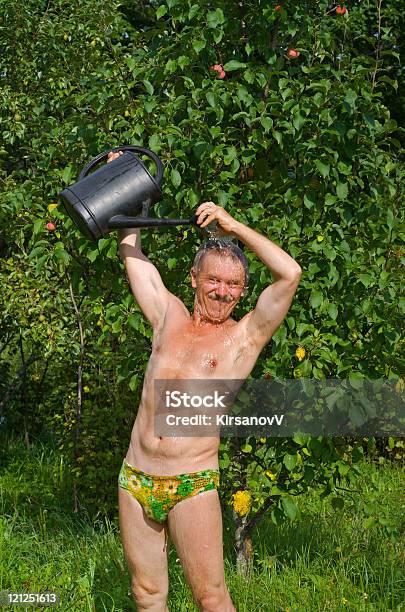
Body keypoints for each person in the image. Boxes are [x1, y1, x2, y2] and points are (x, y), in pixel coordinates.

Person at [109, 150, 302, 612]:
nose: (223, 291)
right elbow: (131, 252)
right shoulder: (167, 315)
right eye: (214, 280)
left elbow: (289, 273)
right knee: (147, 594)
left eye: (234, 285)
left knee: (211, 598)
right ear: (194, 278)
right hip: (134, 478)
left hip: (191, 482)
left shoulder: (242, 339)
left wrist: (232, 226)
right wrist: (124, 183)